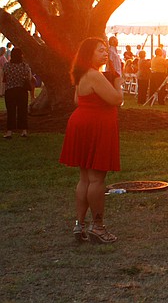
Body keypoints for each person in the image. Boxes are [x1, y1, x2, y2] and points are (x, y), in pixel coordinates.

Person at [58, 38, 124, 243]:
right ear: (89, 54)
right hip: (96, 126)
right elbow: (116, 99)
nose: (105, 54)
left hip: (81, 123)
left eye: (106, 50)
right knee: (96, 179)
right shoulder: (95, 74)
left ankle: (80, 224)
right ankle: (98, 227)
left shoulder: (82, 74)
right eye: (100, 51)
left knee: (85, 178)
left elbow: (77, 100)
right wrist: (119, 84)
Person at [3, 48, 34, 138]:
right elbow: (29, 78)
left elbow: (4, 79)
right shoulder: (25, 66)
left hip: (10, 90)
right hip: (22, 91)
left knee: (11, 111)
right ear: (21, 55)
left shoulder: (7, 66)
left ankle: (9, 131)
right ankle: (24, 130)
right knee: (23, 110)